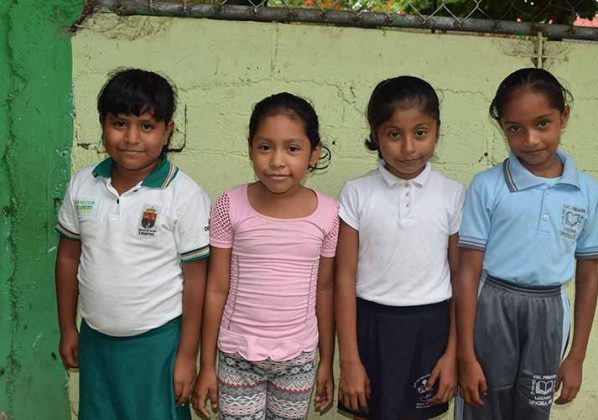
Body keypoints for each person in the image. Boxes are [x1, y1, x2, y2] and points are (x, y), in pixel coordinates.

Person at [55, 68, 210, 420]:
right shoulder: (83, 185)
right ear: (102, 124)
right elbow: (67, 258)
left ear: (167, 130)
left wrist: (188, 356)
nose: (131, 138)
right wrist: (67, 326)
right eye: (120, 123)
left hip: (159, 345)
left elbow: (197, 281)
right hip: (96, 339)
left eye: (146, 126)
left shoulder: (183, 195)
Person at [455, 68, 598, 420]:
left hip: (549, 313)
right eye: (515, 128)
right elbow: (467, 273)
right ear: (502, 127)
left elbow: (587, 278)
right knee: (482, 410)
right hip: (490, 308)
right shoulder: (487, 186)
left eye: (543, 124)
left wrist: (577, 358)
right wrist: (466, 355)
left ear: (563, 117)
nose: (531, 140)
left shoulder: (587, 192)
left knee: (533, 412)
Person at [193, 92, 338, 419]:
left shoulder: (328, 214)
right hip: (236, 355)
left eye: (293, 148)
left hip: (298, 359)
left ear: (314, 153)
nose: (277, 161)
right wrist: (207, 366)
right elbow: (215, 288)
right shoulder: (229, 204)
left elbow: (325, 289)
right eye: (265, 147)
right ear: (250, 148)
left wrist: (327, 360)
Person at [335, 75, 464, 419]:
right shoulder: (356, 193)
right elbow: (344, 278)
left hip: (431, 325)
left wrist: (453, 355)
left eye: (420, 133)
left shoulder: (452, 195)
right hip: (371, 324)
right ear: (375, 134)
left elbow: (459, 277)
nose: (408, 148)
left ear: (437, 130)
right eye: (394, 134)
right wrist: (349, 361)